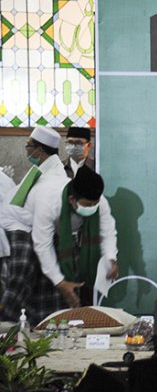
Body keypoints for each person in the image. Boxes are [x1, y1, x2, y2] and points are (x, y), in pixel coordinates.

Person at [0, 127, 69, 323]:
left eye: (28, 146)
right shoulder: (42, 171)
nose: (27, 150)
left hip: (36, 249)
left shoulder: (52, 177)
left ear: (40, 149)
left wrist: (5, 309)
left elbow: (21, 271)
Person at [30, 165, 118, 317]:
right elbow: (42, 245)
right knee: (47, 283)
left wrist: (111, 257)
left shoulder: (98, 201)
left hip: (66, 233)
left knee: (74, 273)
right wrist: (60, 282)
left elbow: (108, 231)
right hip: (24, 225)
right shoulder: (48, 202)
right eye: (88, 205)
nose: (93, 208)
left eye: (95, 203)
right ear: (72, 200)